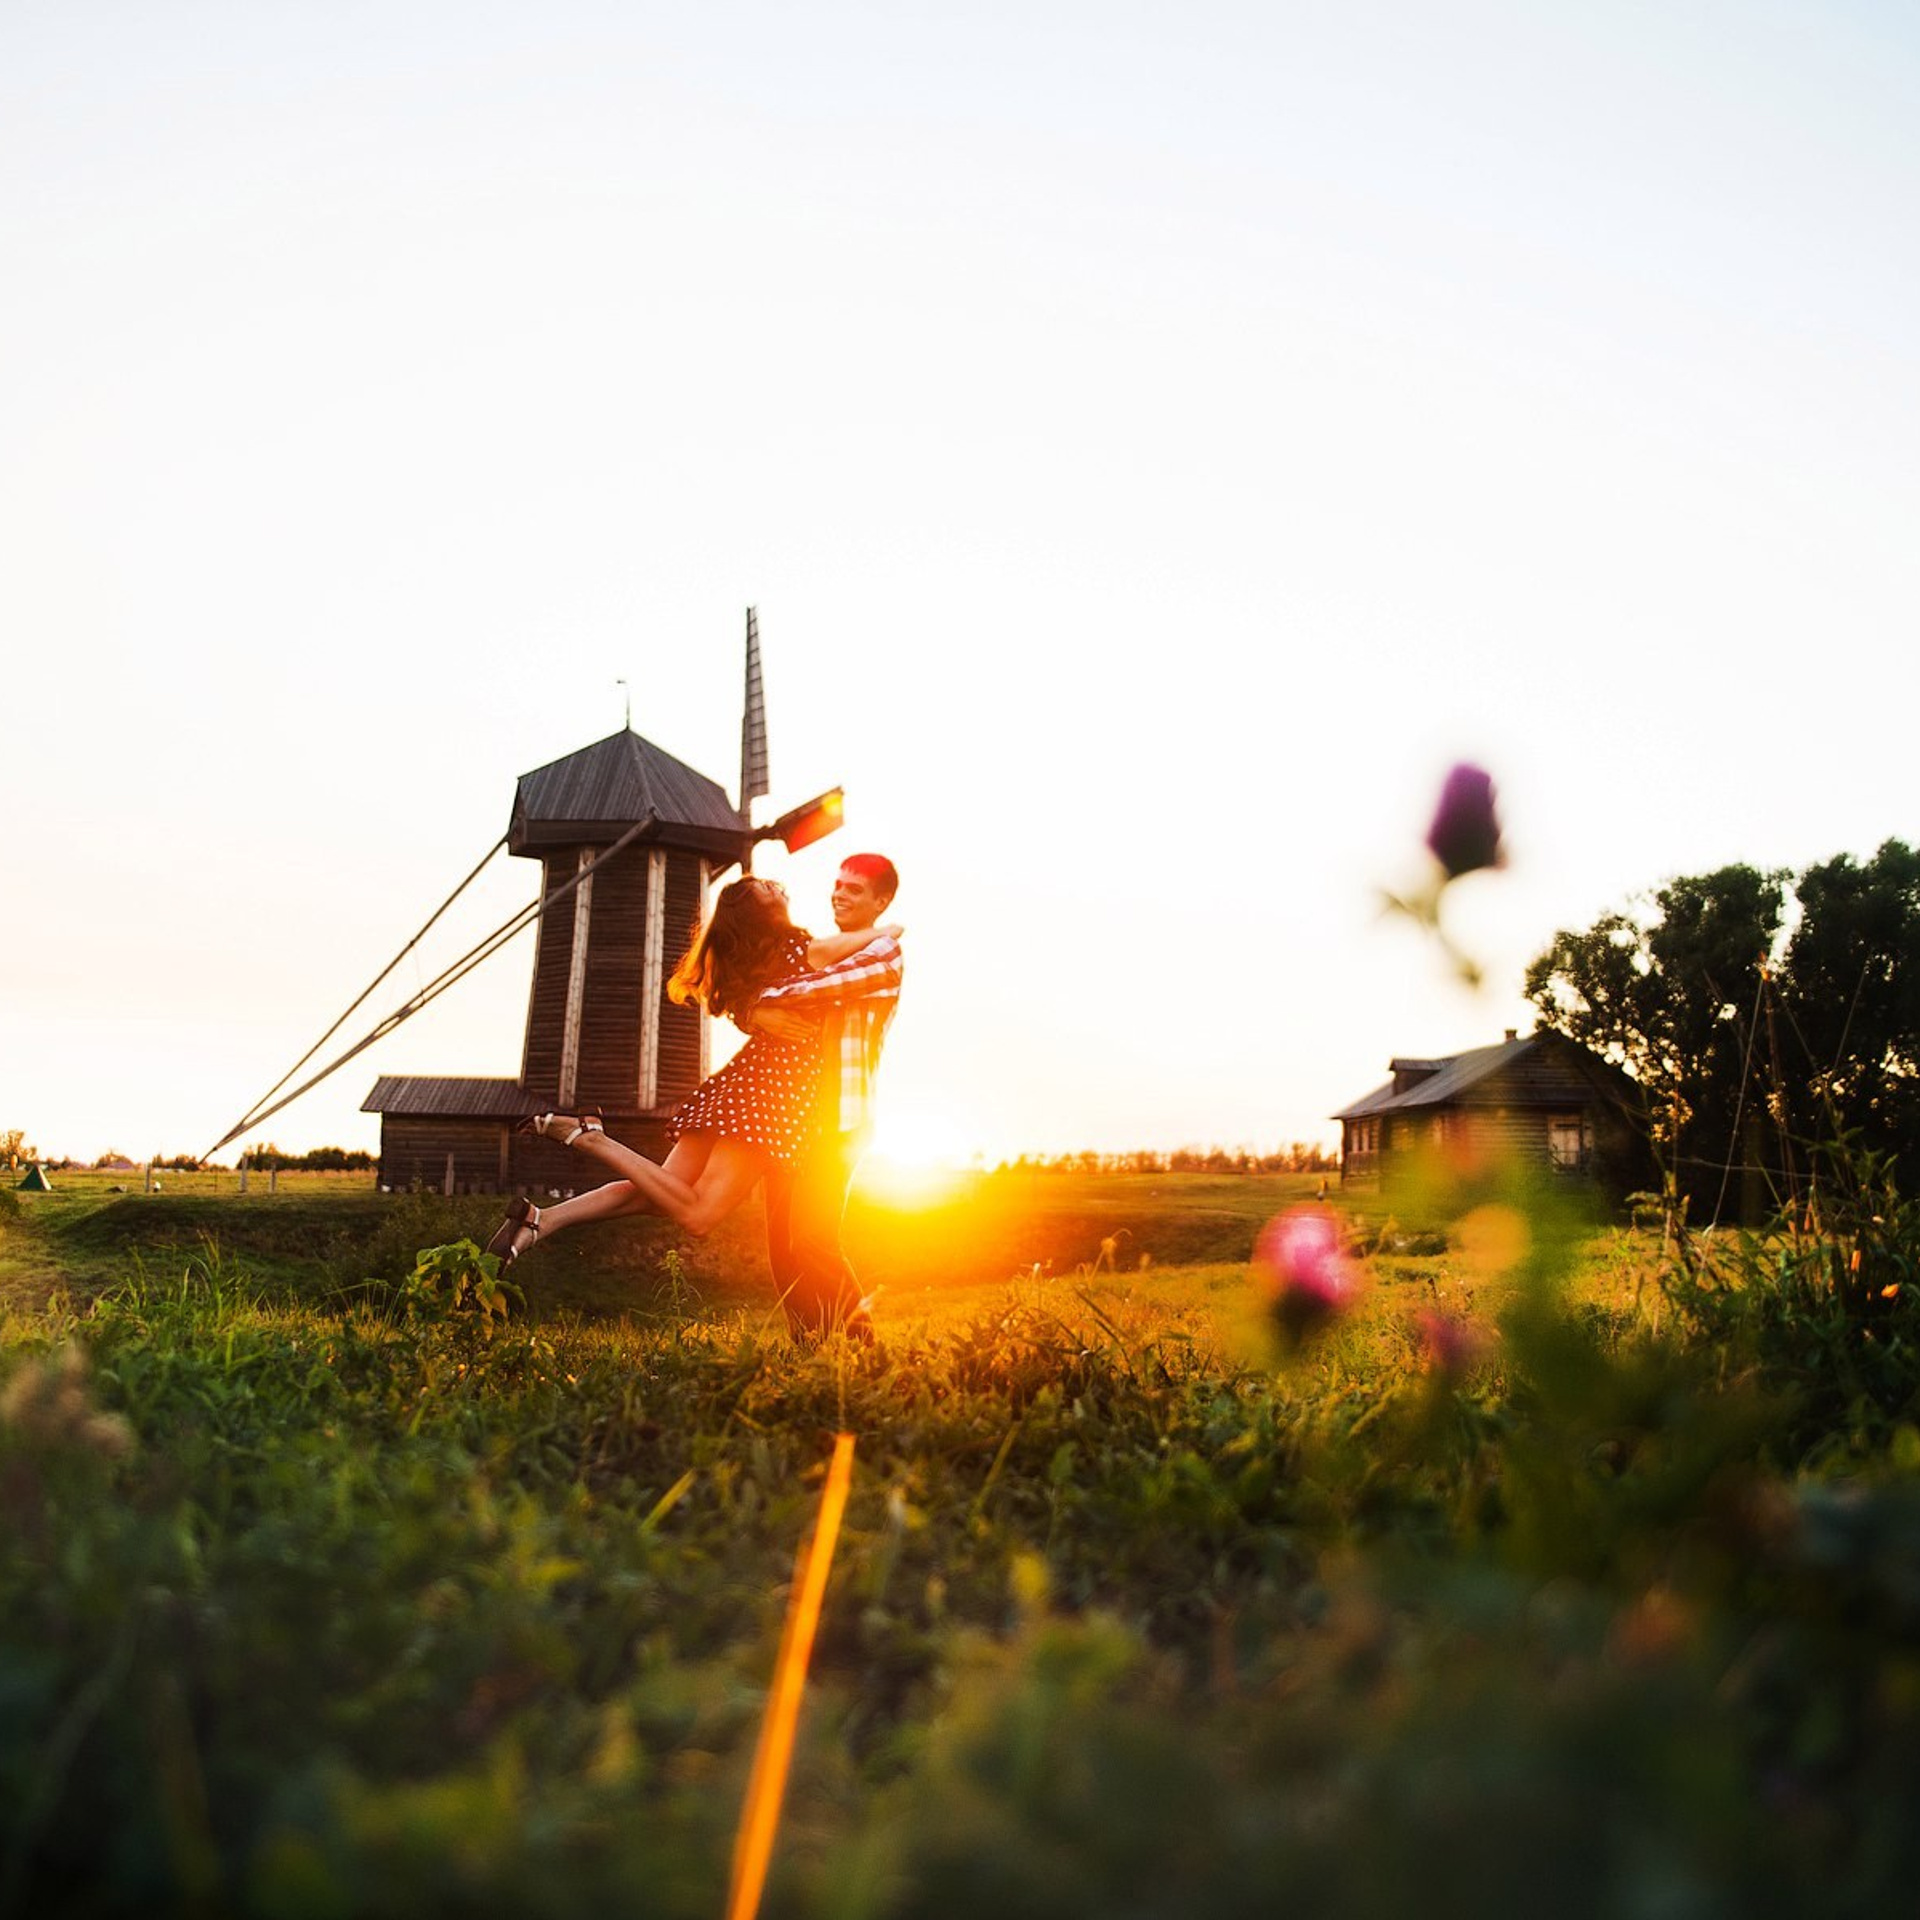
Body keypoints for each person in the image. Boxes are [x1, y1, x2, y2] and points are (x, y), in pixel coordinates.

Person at [484, 863, 904, 1337]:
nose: (780, 886)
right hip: (771, 1097)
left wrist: (754, 1007)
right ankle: (593, 1139)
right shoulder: (802, 946)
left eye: (853, 888)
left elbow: (754, 993)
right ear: (763, 917)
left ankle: (543, 1221)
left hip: (745, 1084)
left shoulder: (766, 956)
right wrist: (886, 928)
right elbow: (846, 955)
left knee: (659, 1190)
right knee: (700, 1213)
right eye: (768, 889)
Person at [741, 853, 903, 1337]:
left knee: (812, 1238)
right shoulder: (825, 946)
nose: (839, 894)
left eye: (854, 889)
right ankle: (809, 1343)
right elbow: (752, 989)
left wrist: (753, 1002)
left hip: (841, 1119)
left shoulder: (881, 957)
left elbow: (805, 988)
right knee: (782, 1247)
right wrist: (750, 1008)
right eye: (838, 885)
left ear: (881, 900)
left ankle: (862, 1345)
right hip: (790, 1113)